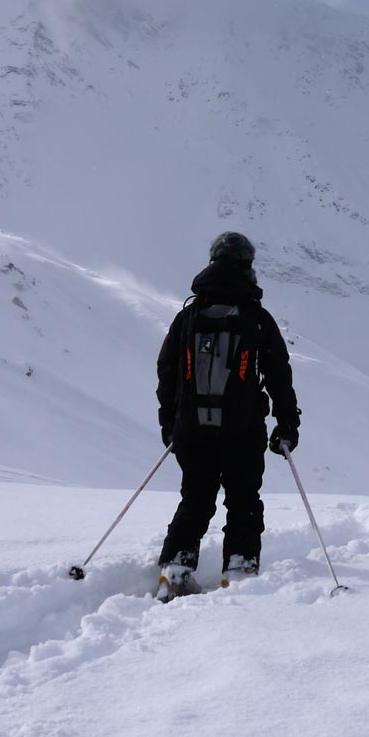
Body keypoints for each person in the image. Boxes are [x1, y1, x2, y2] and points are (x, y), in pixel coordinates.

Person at [154, 232, 300, 599]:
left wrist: (169, 424)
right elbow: (279, 376)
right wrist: (287, 425)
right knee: (244, 500)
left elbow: (167, 372)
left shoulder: (189, 316)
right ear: (247, 265)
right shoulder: (256, 319)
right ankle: (239, 570)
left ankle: (175, 569)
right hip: (243, 429)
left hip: (192, 429)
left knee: (196, 497)